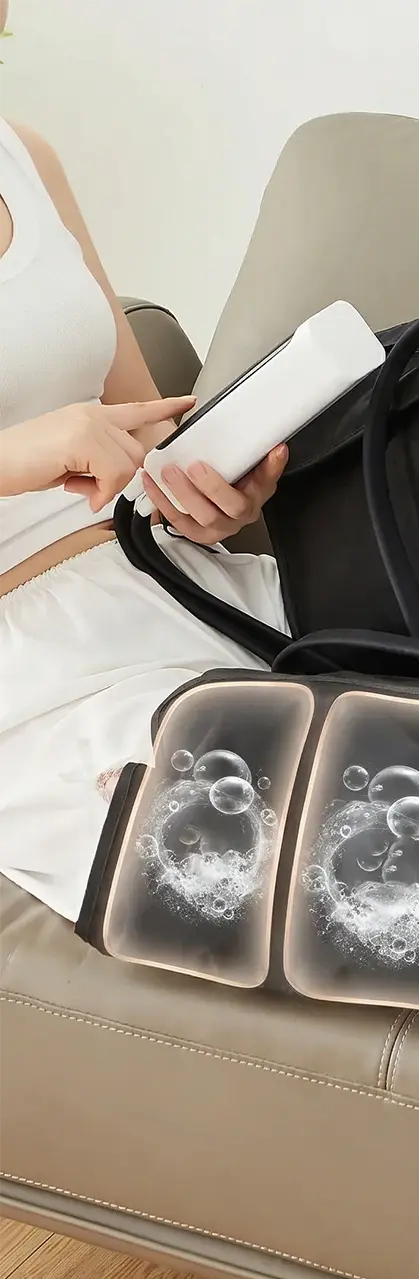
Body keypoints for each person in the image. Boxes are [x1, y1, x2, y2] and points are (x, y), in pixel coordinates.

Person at [0, 68, 289, 922]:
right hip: (30, 673)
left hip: (167, 577)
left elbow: (142, 425)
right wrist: (17, 456)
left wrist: (206, 490)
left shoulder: (23, 156)